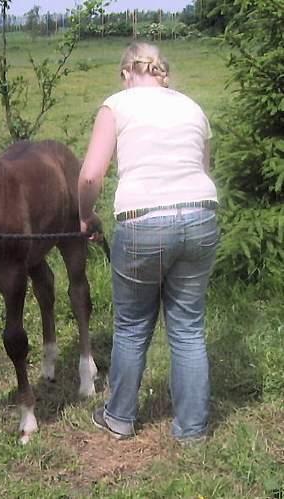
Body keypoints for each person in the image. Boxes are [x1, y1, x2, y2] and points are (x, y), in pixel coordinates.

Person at [78, 42, 219, 443]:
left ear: (126, 74)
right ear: (162, 73)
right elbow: (202, 168)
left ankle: (120, 418)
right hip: (201, 215)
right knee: (188, 328)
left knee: (132, 326)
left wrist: (86, 216)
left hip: (144, 223)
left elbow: (90, 176)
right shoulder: (193, 108)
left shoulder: (118, 104)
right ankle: (192, 431)